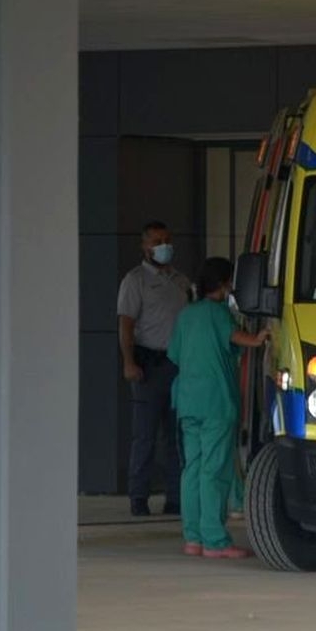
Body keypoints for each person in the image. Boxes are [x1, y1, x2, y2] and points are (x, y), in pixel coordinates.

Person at [168, 257, 269, 559]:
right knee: (215, 470)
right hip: (216, 403)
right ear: (225, 284)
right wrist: (259, 338)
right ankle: (215, 540)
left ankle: (193, 538)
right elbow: (239, 339)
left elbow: (174, 354)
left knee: (192, 469)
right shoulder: (219, 314)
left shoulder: (187, 315)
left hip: (188, 401)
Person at [117, 221, 192, 517]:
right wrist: (128, 361)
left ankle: (174, 497)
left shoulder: (180, 280)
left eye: (167, 240)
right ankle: (138, 497)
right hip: (148, 365)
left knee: (175, 436)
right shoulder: (135, 281)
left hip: (178, 366)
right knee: (145, 436)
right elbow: (126, 324)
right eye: (157, 241)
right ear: (144, 246)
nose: (164, 246)